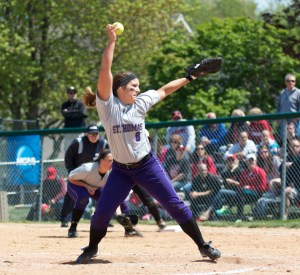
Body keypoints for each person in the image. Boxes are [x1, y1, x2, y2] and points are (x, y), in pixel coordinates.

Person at [76, 24, 221, 264]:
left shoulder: (141, 103)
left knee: (175, 206)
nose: (138, 89)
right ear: (120, 89)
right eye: (134, 86)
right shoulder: (107, 106)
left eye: (139, 86)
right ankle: (91, 248)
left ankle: (203, 246)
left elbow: (165, 90)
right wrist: (111, 41)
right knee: (102, 212)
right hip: (121, 171)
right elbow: (105, 70)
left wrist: (190, 76)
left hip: (147, 166)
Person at [67, 149, 142, 238]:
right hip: (76, 184)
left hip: (96, 187)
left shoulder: (112, 173)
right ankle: (72, 229)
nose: (112, 163)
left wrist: (119, 214)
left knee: (122, 203)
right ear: (101, 161)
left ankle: (128, 230)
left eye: (113, 161)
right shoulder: (88, 168)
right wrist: (86, 186)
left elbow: (114, 196)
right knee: (83, 198)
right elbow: (70, 177)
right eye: (109, 161)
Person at [60, 124, 110, 228]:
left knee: (106, 197)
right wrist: (72, 170)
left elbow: (108, 156)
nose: (94, 136)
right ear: (87, 134)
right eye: (91, 134)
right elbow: (68, 156)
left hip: (95, 177)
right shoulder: (79, 142)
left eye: (96, 134)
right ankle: (65, 219)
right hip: (80, 175)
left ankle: (105, 219)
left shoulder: (103, 143)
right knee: (73, 196)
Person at [199, 154, 243, 221]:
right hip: (228, 194)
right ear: (227, 162)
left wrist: (233, 182)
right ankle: (216, 219)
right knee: (220, 200)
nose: (231, 161)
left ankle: (208, 211)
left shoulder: (239, 170)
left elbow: (242, 185)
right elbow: (225, 185)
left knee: (220, 192)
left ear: (236, 161)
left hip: (237, 193)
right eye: (229, 160)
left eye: (232, 160)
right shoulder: (225, 172)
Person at [236, 154, 266, 220]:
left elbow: (263, 188)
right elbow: (240, 185)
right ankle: (239, 218)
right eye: (249, 160)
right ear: (246, 162)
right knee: (240, 196)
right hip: (246, 193)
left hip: (258, 193)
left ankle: (236, 215)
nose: (251, 162)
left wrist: (250, 187)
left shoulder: (260, 171)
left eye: (252, 160)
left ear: (255, 161)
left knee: (241, 191)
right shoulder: (244, 172)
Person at [254, 145, 281, 217]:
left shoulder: (274, 159)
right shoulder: (261, 162)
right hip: (267, 183)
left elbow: (281, 172)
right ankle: (260, 213)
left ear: (268, 151)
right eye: (261, 153)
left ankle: (273, 198)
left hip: (278, 180)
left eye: (265, 152)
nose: (263, 154)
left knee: (271, 183)